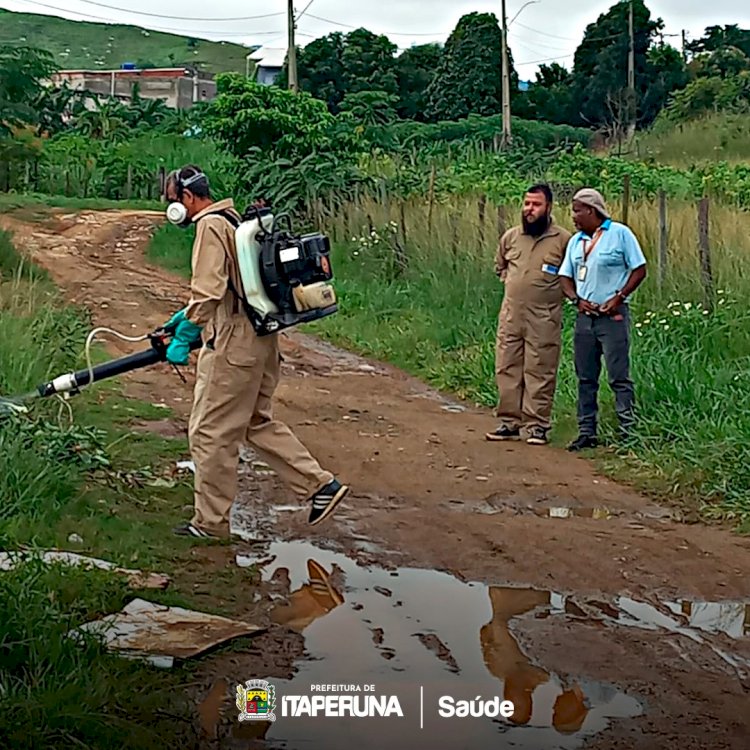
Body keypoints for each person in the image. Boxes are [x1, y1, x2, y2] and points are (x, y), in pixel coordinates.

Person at [162, 165, 349, 539]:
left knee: (209, 433)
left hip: (232, 343)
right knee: (255, 422)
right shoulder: (234, 219)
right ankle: (320, 486)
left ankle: (210, 524)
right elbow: (236, 284)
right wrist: (187, 314)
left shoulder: (209, 226)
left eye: (173, 201)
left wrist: (187, 330)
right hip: (263, 338)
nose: (173, 209)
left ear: (187, 198)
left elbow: (210, 290)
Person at [558, 188, 647, 452]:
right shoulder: (575, 242)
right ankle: (587, 431)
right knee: (585, 377)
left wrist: (618, 297)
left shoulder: (620, 234)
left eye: (577, 210)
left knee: (619, 375)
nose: (573, 216)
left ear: (592, 210)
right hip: (585, 318)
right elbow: (565, 277)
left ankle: (627, 431)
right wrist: (576, 299)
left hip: (613, 317)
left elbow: (639, 269)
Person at [486, 184, 572, 446]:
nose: (529, 209)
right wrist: (511, 283)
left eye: (536, 204)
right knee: (507, 366)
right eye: (526, 204)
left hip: (544, 316)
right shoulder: (511, 237)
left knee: (540, 369)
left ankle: (537, 425)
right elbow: (499, 266)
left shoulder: (563, 240)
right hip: (511, 314)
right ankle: (510, 422)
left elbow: (571, 275)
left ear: (549, 207)